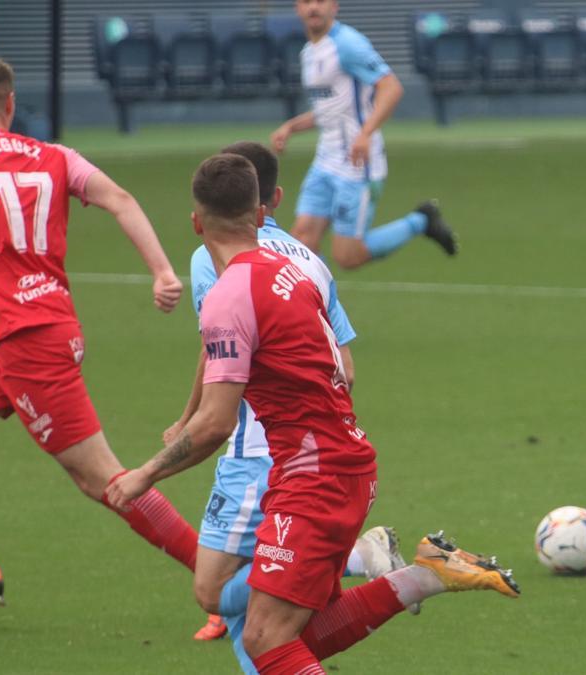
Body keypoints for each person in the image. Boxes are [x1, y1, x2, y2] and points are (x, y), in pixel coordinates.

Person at [108, 153, 518, 674]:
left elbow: (215, 424)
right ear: (260, 214)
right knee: (289, 638)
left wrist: (146, 473)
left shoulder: (228, 295)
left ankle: (426, 575)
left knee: (262, 639)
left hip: (314, 478)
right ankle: (428, 575)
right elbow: (342, 368)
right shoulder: (292, 267)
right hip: (332, 464)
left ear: (196, 222)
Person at [165, 141, 416, 668]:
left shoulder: (217, 258)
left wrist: (190, 421)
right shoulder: (306, 259)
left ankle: (359, 559)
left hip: (261, 450)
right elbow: (345, 368)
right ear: (271, 199)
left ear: (201, 218)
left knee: (219, 595)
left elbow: (219, 348)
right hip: (320, 447)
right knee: (270, 622)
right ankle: (392, 571)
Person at [0, 55, 204, 611]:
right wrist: (163, 272)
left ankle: (220, 577)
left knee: (106, 481)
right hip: (47, 330)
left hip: (30, 346)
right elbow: (119, 199)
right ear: (10, 104)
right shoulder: (54, 155)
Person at [270, 0, 457, 270]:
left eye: (321, 1)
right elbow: (330, 111)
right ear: (297, 7)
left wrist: (366, 133)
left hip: (356, 164)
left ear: (334, 6)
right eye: (306, 1)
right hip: (325, 160)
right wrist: (291, 127)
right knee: (302, 240)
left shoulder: (348, 44)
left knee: (348, 257)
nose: (313, 8)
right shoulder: (309, 52)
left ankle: (421, 221)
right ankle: (321, 307)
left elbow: (391, 87)